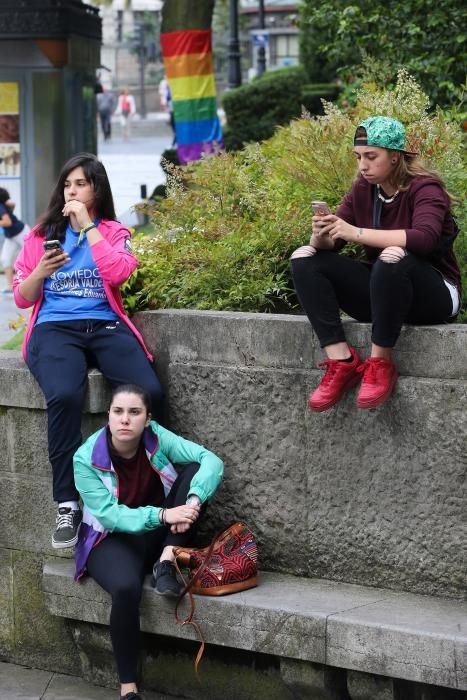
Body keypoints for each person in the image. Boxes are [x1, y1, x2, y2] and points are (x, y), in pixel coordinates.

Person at [13, 153, 164, 549]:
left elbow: (118, 273)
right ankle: (67, 502)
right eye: (67, 185)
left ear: (96, 189)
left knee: (148, 391)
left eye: (80, 184)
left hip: (104, 323)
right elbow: (21, 299)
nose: (72, 191)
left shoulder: (114, 231)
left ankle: (142, 485)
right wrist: (41, 272)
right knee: (65, 394)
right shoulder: (41, 234)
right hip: (55, 328)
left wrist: (91, 230)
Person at [291, 116, 461, 412]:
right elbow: (334, 244)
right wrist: (321, 235)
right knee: (304, 258)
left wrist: (354, 232)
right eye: (358, 157)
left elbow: (424, 239)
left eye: (371, 157)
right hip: (384, 293)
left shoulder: (425, 188)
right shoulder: (363, 190)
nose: (363, 166)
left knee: (394, 255)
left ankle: (380, 363)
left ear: (395, 156)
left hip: (434, 295)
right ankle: (341, 361)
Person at [74, 383, 223, 700]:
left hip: (160, 537)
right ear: (109, 416)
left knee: (196, 472)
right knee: (126, 588)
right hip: (111, 540)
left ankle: (166, 561)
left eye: (134, 412)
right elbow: (111, 516)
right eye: (118, 412)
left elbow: (210, 460)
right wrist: (164, 515)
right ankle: (128, 687)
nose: (125, 419)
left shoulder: (156, 437)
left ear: (147, 419)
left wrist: (192, 503)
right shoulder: (85, 458)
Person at [0, 188, 26, 293]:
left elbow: (7, 222)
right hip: (10, 236)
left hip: (21, 232)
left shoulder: (0, 207)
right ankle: (11, 286)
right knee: (5, 259)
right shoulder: (3, 206)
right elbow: (12, 204)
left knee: (33, 256)